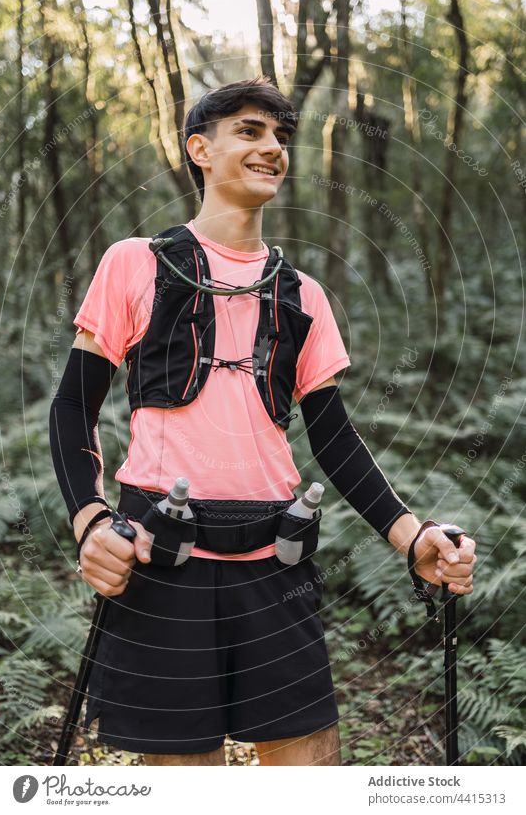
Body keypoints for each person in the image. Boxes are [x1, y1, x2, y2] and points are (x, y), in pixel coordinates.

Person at [49, 76, 476, 767]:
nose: (272, 146)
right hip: (161, 560)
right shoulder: (136, 263)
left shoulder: (302, 294)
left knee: (307, 765)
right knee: (184, 781)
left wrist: (413, 534)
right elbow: (73, 405)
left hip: (276, 565)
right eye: (249, 131)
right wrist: (91, 521)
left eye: (280, 136)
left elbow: (333, 439)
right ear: (200, 149)